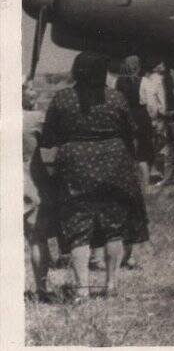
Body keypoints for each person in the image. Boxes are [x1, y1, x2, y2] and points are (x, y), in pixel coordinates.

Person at [40, 52, 149, 302]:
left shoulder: (62, 98)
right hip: (114, 164)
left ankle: (82, 289)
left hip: (75, 167)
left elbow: (48, 138)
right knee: (114, 227)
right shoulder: (116, 98)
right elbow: (129, 131)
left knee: (78, 228)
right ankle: (111, 284)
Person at [23, 82, 57, 301]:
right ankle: (42, 289)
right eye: (30, 89)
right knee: (37, 238)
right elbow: (50, 142)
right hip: (28, 181)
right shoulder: (34, 118)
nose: (34, 93)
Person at [115, 55, 154, 188]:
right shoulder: (145, 81)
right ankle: (146, 184)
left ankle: (130, 182)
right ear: (138, 66)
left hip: (125, 116)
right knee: (144, 149)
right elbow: (151, 104)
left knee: (129, 149)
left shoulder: (118, 81)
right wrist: (153, 118)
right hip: (141, 115)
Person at [139, 56, 174, 185]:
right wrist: (159, 114)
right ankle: (164, 176)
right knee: (163, 146)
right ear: (155, 66)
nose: (163, 65)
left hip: (155, 116)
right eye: (161, 64)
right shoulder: (157, 80)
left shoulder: (147, 80)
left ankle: (161, 174)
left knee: (158, 146)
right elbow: (156, 101)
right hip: (159, 116)